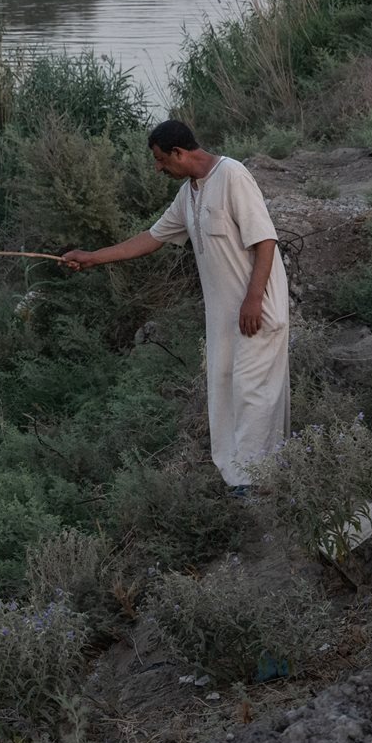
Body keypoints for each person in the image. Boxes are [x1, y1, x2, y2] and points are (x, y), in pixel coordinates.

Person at [62, 119, 290, 493]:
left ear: (179, 153)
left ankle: (258, 481)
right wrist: (92, 258)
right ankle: (238, 477)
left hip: (256, 309)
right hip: (224, 319)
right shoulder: (189, 194)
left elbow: (265, 240)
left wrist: (253, 298)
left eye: (160, 160)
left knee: (255, 392)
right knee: (225, 388)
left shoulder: (232, 175)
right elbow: (151, 238)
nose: (157, 168)